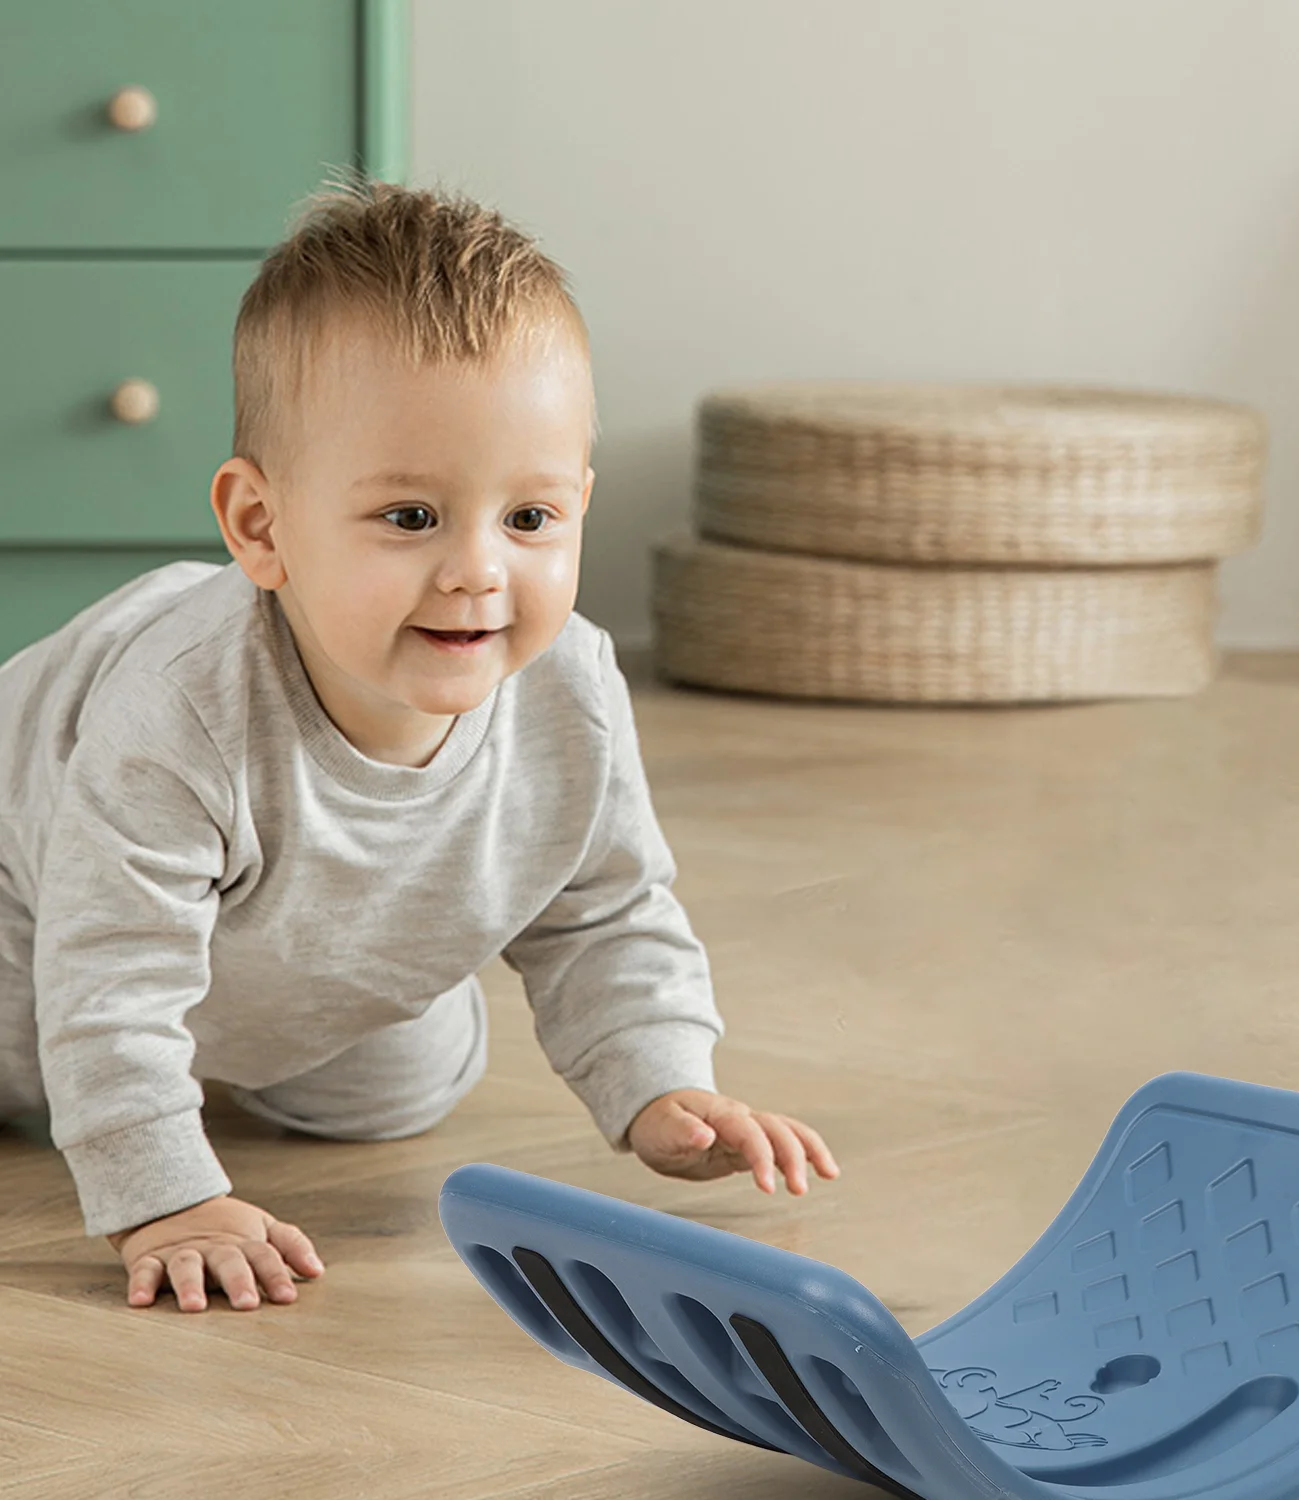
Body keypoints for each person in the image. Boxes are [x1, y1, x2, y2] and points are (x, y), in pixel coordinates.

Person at [0, 175, 837, 1315]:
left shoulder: (572, 687)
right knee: (45, 1058)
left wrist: (661, 1087)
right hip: (35, 900)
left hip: (292, 932)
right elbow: (107, 978)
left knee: (401, 1086)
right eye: (410, 517)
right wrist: (164, 1197)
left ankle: (287, 997)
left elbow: (606, 910)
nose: (478, 570)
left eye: (531, 518)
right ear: (261, 527)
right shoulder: (178, 712)